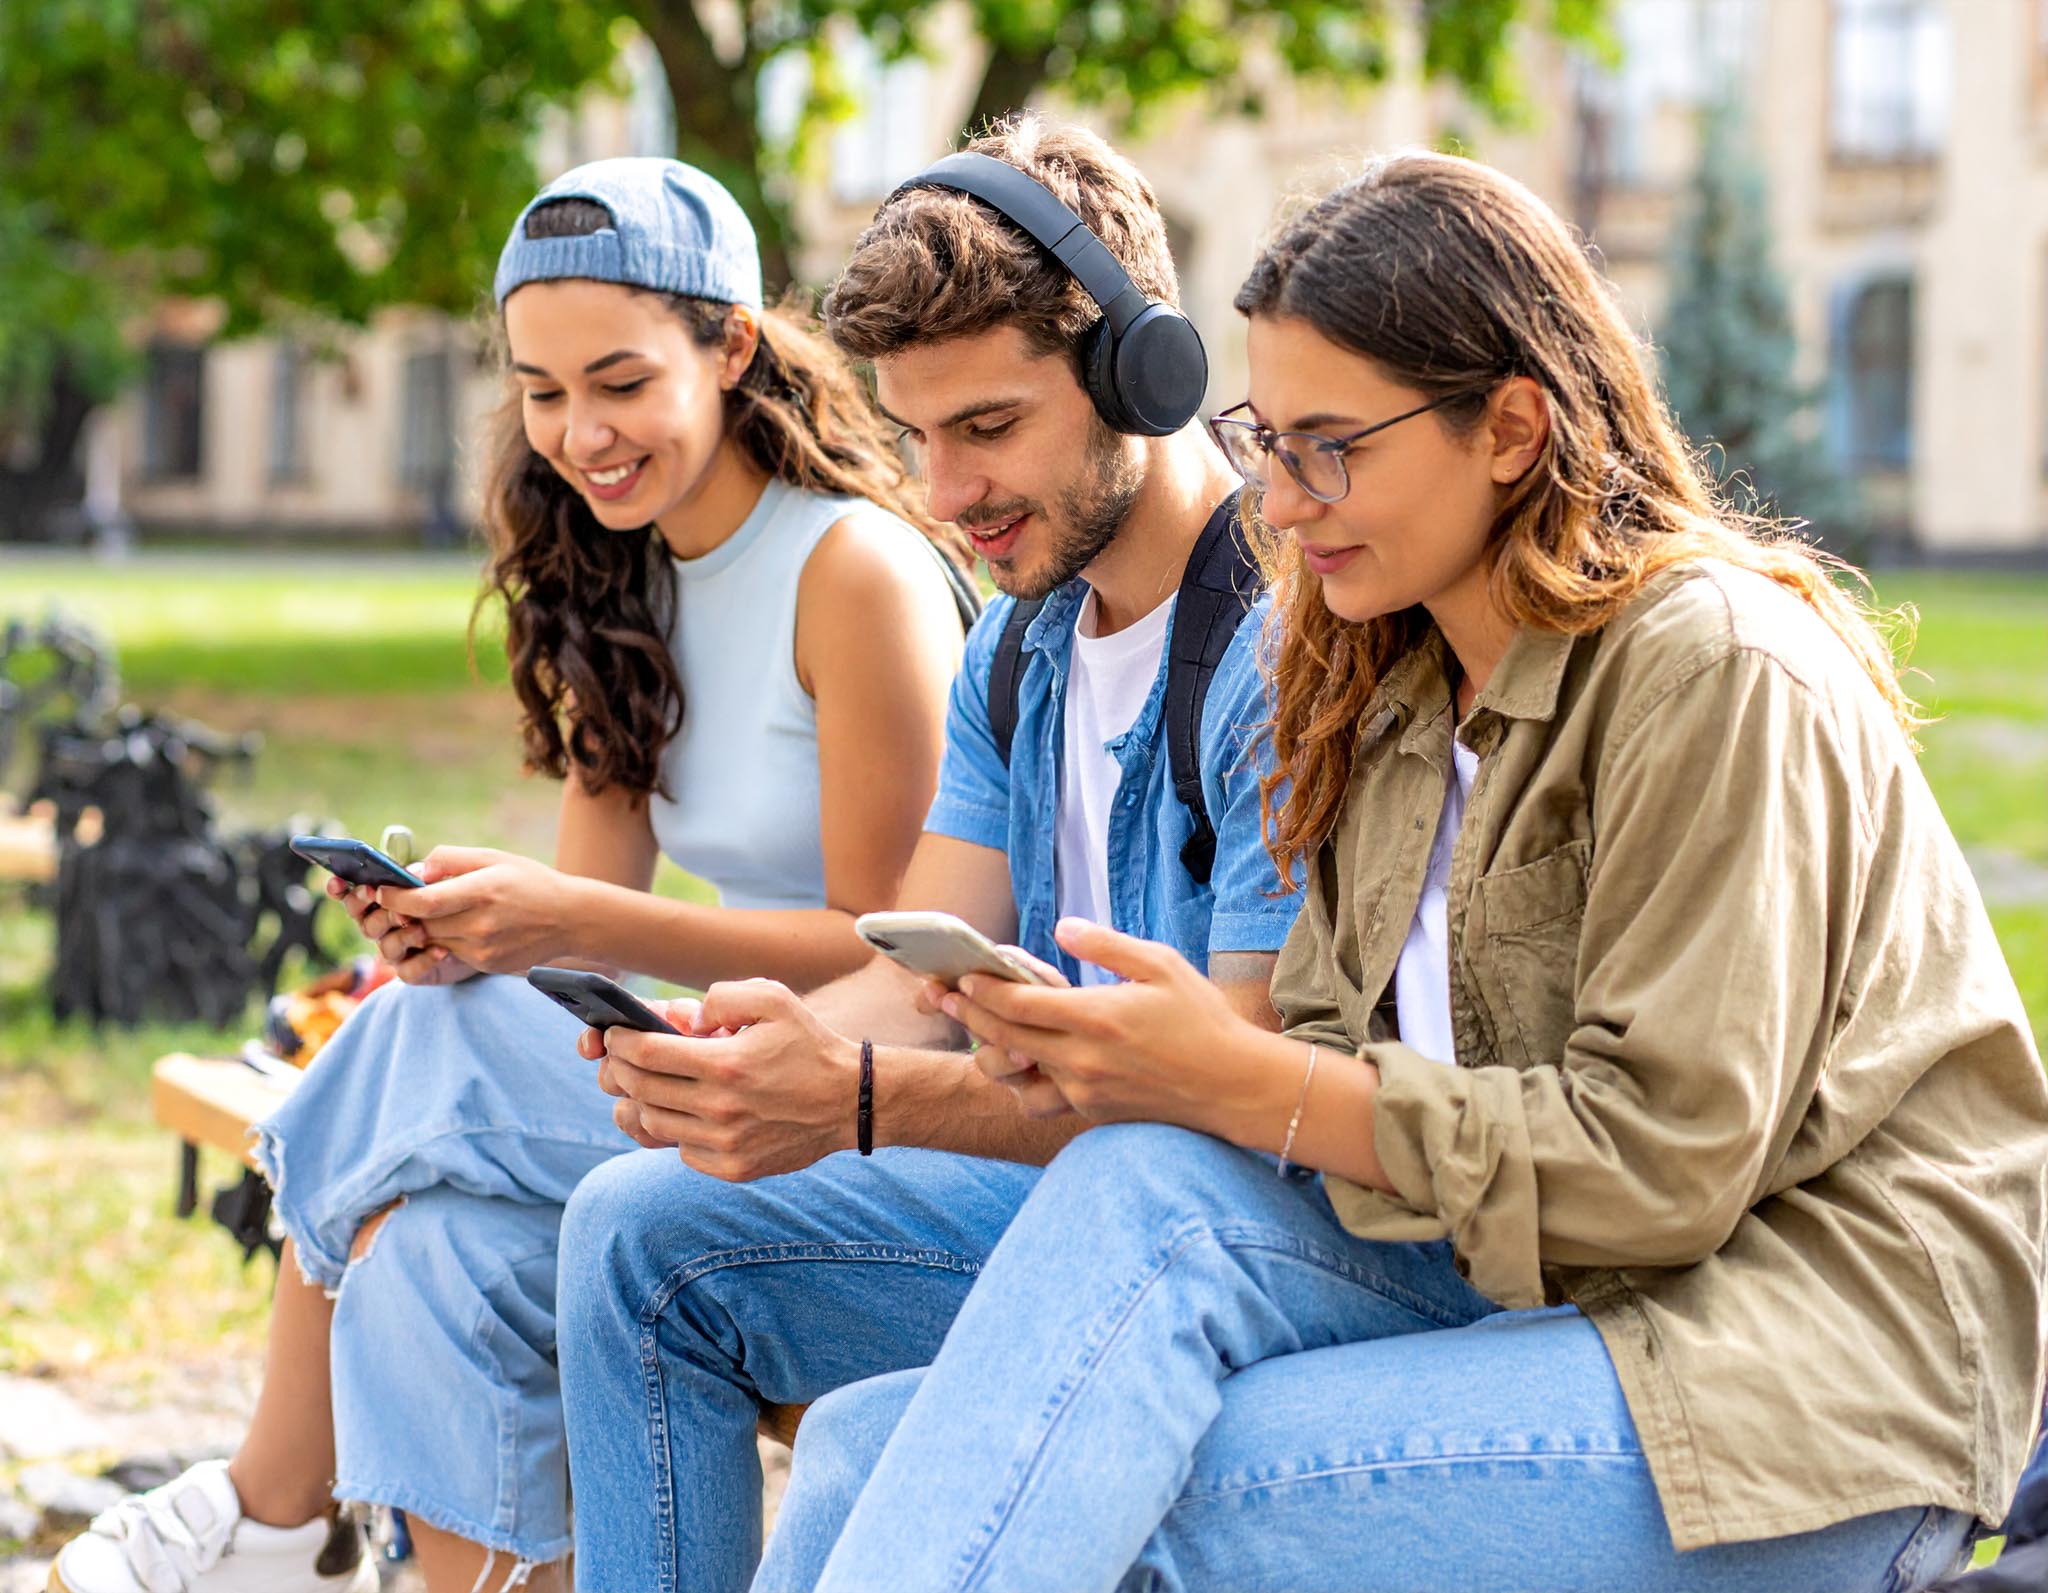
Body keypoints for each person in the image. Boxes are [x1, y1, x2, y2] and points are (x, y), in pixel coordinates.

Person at [755, 151, 2048, 1593]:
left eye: (1331, 446)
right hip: (1539, 1304)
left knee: (1124, 1513)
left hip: (1794, 1391)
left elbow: (1661, 1168)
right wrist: (1130, 1064)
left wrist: (1239, 1079)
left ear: (1510, 428)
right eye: (1267, 439)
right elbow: (1325, 1067)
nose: (1279, 499)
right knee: (876, 1437)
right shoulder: (1388, 684)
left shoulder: (1714, 668)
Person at [50, 155, 974, 1593]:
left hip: (870, 1105)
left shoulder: (853, 574)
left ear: (733, 347)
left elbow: (899, 958)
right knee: (433, 1252)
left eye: (621, 382)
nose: (580, 435)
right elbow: (580, 943)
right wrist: (470, 933)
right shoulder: (621, 576)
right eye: (543, 393)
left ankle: (269, 1509)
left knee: (423, 1044)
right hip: (710, 1067)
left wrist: (557, 920)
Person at [550, 115, 1299, 1592]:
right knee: (631, 1229)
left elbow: (1232, 1105)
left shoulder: (1275, 649)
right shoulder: (1020, 643)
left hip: (1224, 1234)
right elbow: (916, 974)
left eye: (990, 428)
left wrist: (859, 1098)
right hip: (1063, 1187)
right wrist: (753, 1055)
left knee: (853, 1439)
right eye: (918, 440)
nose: (945, 494)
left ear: (1141, 372)